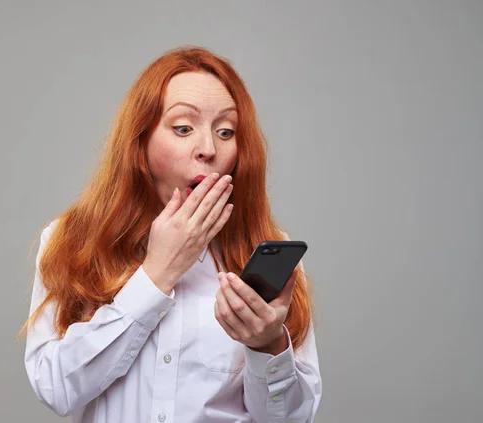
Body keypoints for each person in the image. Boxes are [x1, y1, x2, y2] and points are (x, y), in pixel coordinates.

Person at [21, 46, 322, 423]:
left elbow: (292, 419)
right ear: (140, 141)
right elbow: (55, 388)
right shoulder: (72, 239)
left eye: (226, 131)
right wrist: (155, 275)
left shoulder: (262, 248)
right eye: (183, 128)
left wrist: (268, 345)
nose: (209, 149)